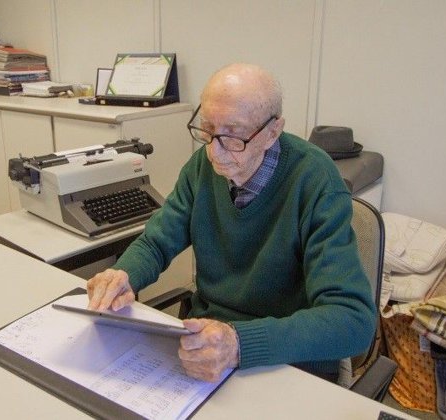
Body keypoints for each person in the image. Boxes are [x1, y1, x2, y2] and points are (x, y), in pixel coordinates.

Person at [87, 63, 377, 383]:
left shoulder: (316, 181)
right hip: (208, 343)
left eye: (233, 136)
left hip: (286, 359)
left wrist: (239, 344)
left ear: (272, 132)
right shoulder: (202, 167)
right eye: (207, 130)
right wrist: (123, 275)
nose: (214, 152)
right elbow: (157, 241)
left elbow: (352, 321)